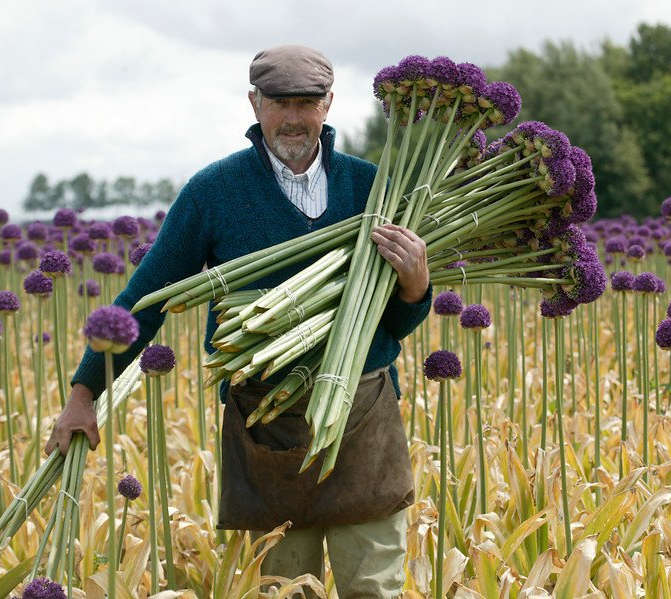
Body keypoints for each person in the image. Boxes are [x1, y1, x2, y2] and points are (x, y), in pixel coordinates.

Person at [45, 44, 431, 597]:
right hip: (263, 422)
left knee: (374, 588)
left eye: (307, 101)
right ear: (254, 102)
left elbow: (394, 321)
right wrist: (84, 392)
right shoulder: (214, 191)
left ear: (329, 103)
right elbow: (148, 295)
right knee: (277, 589)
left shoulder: (375, 189)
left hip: (363, 417)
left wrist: (416, 285)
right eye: (279, 102)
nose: (293, 117)